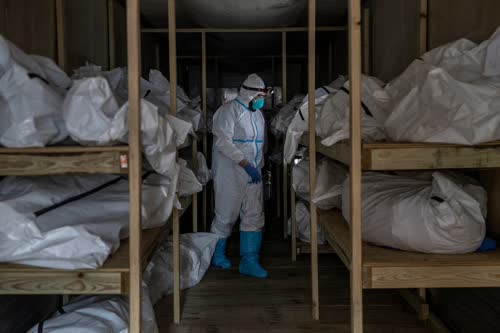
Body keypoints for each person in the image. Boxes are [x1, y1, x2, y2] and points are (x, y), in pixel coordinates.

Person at [210, 73, 271, 278]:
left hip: (253, 172)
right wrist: (244, 163)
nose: (262, 100)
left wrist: (258, 167)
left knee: (254, 213)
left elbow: (259, 144)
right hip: (231, 171)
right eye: (260, 95)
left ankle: (250, 260)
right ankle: (217, 254)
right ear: (249, 94)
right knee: (226, 213)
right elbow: (222, 141)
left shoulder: (257, 115)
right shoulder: (228, 111)